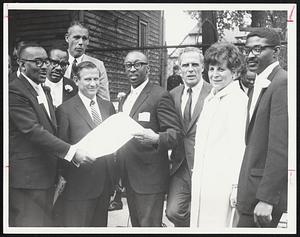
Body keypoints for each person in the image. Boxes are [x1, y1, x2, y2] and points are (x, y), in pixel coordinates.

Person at [9, 43, 95, 227]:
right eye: (37, 62)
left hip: (47, 175)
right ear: (21, 64)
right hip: (28, 179)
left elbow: (52, 128)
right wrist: (72, 152)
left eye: (45, 62)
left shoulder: (44, 90)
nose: (44, 67)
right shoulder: (14, 91)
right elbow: (33, 131)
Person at [117, 51, 182, 227]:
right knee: (138, 226)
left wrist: (155, 138)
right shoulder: (125, 98)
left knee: (149, 227)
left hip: (150, 178)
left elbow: (175, 134)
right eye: (128, 65)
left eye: (137, 64)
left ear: (148, 68)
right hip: (129, 175)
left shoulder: (159, 95)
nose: (132, 69)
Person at [190, 42, 248, 228]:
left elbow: (240, 147)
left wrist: (235, 187)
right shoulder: (211, 98)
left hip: (223, 182)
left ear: (235, 72)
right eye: (211, 68)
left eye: (221, 69)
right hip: (203, 179)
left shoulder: (238, 101)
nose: (214, 74)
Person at [236, 28, 288, 228]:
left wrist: (267, 198)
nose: (250, 55)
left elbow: (281, 147)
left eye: (258, 49)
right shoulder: (260, 82)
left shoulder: (282, 83)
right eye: (247, 50)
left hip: (263, 198)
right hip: (251, 191)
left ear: (276, 51)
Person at [55, 61, 116, 227]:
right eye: (88, 79)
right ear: (76, 80)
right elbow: (61, 147)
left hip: (104, 184)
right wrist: (75, 158)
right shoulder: (65, 110)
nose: (93, 83)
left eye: (96, 79)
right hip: (78, 186)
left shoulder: (107, 106)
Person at [165, 47, 212, 227]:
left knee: (209, 212)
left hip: (206, 164)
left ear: (202, 68)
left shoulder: (213, 92)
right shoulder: (172, 95)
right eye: (186, 65)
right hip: (180, 164)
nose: (190, 69)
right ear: (179, 69)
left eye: (195, 65)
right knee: (173, 212)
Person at [64, 20, 110, 101]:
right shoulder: (57, 62)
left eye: (84, 38)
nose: (81, 42)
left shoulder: (98, 65)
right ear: (67, 38)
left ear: (88, 41)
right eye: (76, 37)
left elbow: (104, 99)